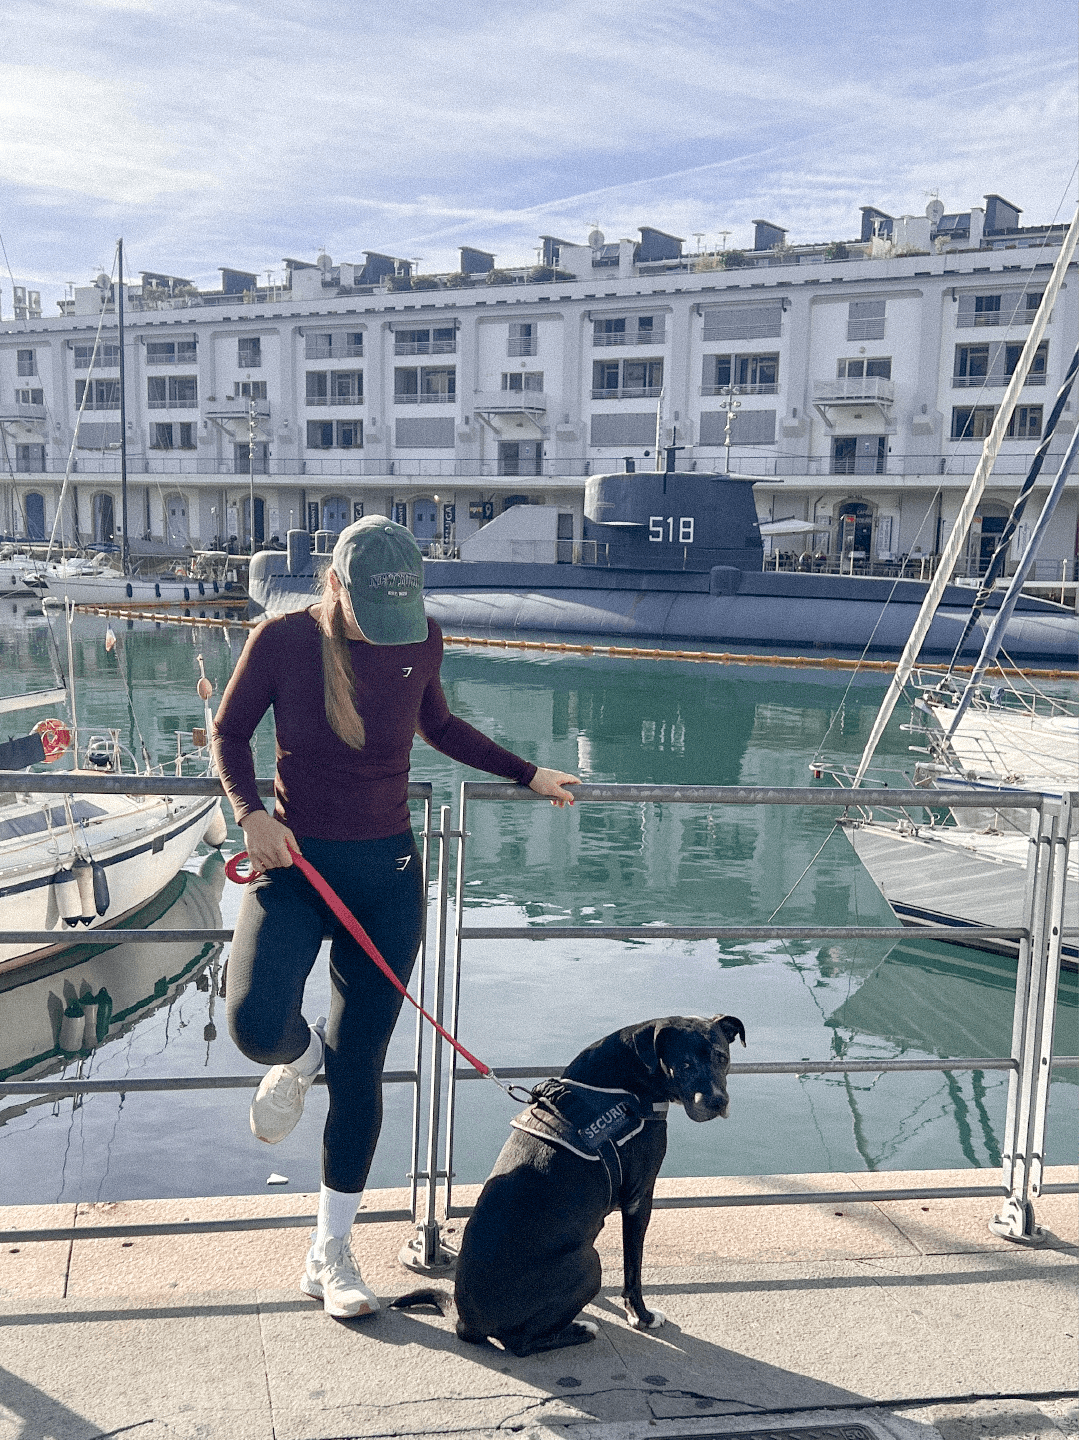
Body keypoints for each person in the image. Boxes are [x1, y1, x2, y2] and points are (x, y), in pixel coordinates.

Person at [212, 515, 578, 1318]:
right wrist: (250, 815)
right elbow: (230, 730)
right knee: (251, 1021)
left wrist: (527, 773)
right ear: (335, 586)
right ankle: (300, 1056)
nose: (387, 636)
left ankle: (330, 1252)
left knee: (363, 1066)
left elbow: (437, 726)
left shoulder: (421, 641)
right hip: (294, 863)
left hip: (388, 874)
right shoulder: (280, 640)